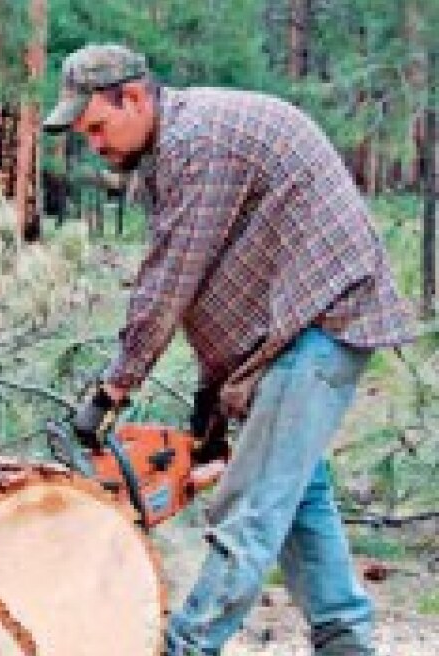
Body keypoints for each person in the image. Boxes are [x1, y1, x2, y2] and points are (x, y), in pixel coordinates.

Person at [44, 44, 415, 655]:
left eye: (97, 127)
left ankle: (188, 646)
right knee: (299, 496)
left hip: (324, 316)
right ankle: (345, 638)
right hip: (295, 330)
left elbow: (169, 283)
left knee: (248, 512)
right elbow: (217, 288)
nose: (95, 144)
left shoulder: (197, 143)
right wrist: (211, 409)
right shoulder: (175, 151)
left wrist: (113, 390)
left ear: (133, 97)